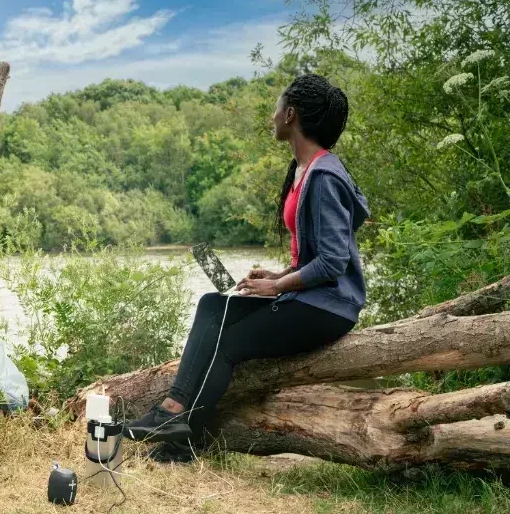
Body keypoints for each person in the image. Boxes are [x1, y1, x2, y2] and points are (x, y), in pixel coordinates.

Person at [125, 74, 370, 446]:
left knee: (227, 345)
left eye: (276, 108)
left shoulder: (323, 176)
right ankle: (170, 412)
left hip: (329, 308)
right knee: (212, 305)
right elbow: (316, 256)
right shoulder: (306, 171)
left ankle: (185, 442)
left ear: (290, 114)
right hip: (311, 297)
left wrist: (276, 286)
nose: (271, 116)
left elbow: (334, 263)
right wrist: (280, 274)